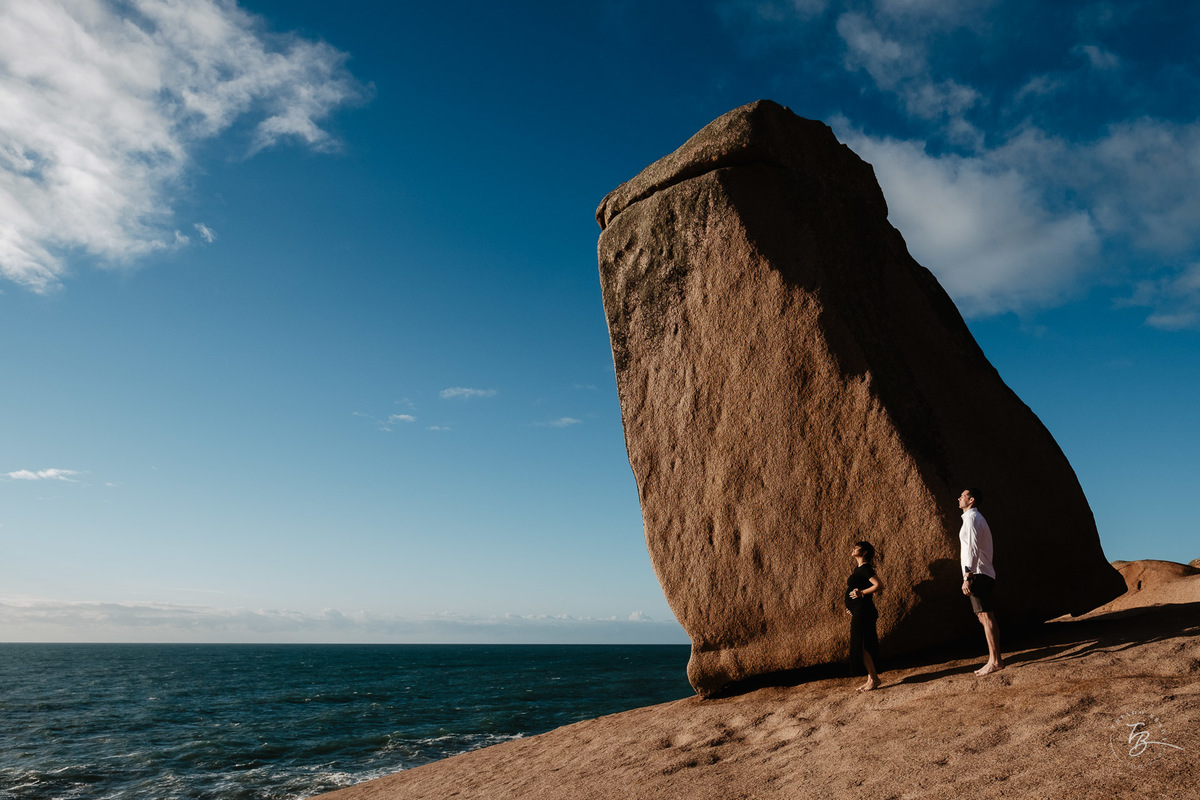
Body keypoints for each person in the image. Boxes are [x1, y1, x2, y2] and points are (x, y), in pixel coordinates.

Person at [958, 488, 1004, 675]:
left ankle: (995, 661)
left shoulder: (971, 519)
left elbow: (972, 549)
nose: (959, 498)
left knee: (986, 616)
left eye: (963, 496)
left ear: (971, 500)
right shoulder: (974, 519)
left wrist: (967, 576)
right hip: (980, 572)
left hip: (977, 573)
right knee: (983, 616)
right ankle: (994, 658)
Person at [845, 540, 883, 691]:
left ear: (865, 552)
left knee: (860, 645)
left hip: (864, 611)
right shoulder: (858, 569)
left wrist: (861, 593)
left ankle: (874, 679)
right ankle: (871, 679)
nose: (853, 549)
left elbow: (879, 585)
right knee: (864, 644)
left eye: (857, 547)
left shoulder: (866, 568)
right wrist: (851, 607)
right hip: (859, 611)